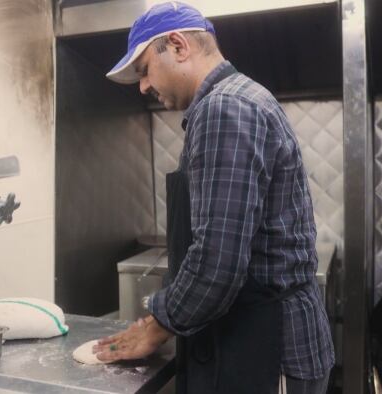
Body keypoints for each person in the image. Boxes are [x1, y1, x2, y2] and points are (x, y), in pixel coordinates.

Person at [92, 2, 334, 393]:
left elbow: (219, 260)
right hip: (258, 337)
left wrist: (157, 324)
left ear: (177, 45)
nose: (143, 87)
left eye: (144, 70)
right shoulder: (234, 100)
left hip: (267, 348)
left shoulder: (225, 108)